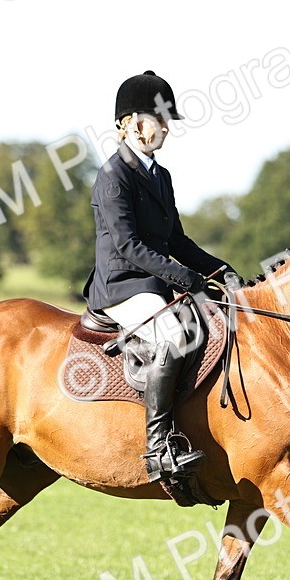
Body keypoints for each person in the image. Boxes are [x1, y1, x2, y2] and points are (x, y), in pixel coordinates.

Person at [83, 71, 243, 494]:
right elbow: (128, 245)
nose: (167, 128)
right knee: (173, 335)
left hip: (152, 285)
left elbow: (176, 241)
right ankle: (158, 448)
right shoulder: (113, 175)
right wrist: (186, 278)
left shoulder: (161, 175)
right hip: (121, 286)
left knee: (210, 322)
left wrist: (219, 270)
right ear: (135, 123)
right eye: (161, 119)